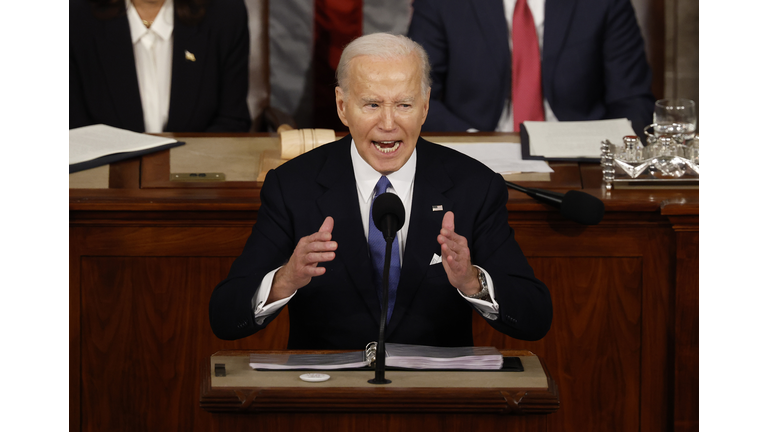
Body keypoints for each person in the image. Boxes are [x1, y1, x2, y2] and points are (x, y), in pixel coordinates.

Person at [209, 33, 552, 350]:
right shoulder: (292, 186)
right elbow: (225, 316)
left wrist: (472, 280)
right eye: (371, 104)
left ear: (425, 106)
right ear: (342, 107)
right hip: (326, 397)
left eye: (404, 105)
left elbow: (535, 316)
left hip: (437, 400)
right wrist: (285, 279)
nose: (388, 124)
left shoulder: (473, 186)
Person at [407, 0, 655, 137]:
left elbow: (632, 97)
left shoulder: (606, 4)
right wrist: (472, 139)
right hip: (477, 151)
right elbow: (414, 94)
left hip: (578, 156)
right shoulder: (439, 3)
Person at [70, 0, 251, 132]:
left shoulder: (227, 14)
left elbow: (232, 120)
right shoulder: (74, 17)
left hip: (196, 175)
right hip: (104, 174)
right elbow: (73, 125)